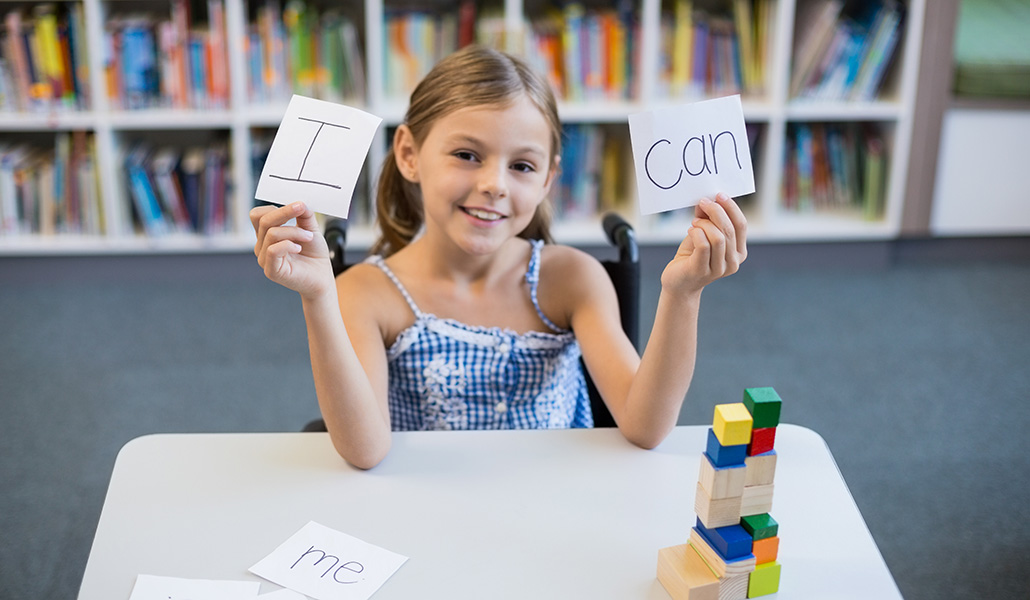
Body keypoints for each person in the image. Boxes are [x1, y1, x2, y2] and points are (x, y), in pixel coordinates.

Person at [251, 45, 747, 469]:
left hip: (555, 512)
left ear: (548, 179)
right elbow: (365, 452)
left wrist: (683, 293)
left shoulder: (572, 278)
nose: (494, 184)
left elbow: (644, 427)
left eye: (522, 165)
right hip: (426, 516)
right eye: (467, 155)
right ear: (408, 154)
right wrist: (319, 297)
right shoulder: (364, 292)